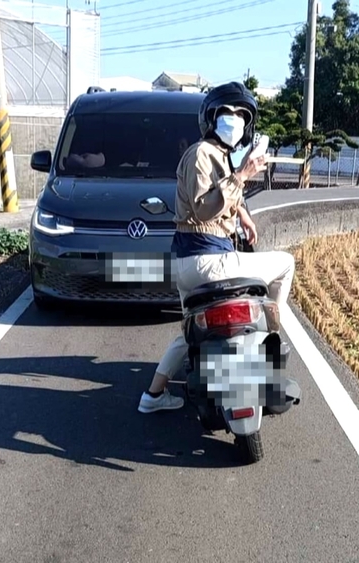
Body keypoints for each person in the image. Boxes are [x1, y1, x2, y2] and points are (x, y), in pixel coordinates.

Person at [138, 82, 296, 414]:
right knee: (285, 263)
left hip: (191, 261)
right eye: (227, 112)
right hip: (208, 260)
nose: (234, 119)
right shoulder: (200, 153)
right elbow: (204, 208)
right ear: (211, 118)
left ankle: (152, 397)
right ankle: (272, 335)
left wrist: (244, 216)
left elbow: (221, 195)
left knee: (191, 329)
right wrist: (243, 174)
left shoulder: (217, 156)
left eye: (242, 115)